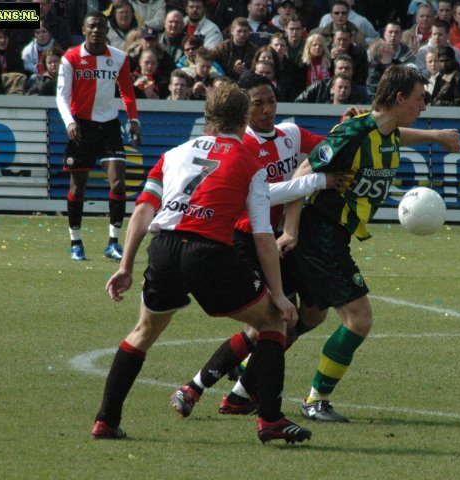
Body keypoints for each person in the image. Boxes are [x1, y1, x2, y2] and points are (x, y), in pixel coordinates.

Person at [92, 80, 312, 445]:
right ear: (244, 117)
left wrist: (125, 266)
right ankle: (270, 420)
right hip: (208, 251)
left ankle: (106, 421)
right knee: (274, 322)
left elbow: (144, 209)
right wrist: (279, 293)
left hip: (163, 249)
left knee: (143, 332)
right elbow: (262, 234)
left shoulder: (174, 153)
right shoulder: (248, 159)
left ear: (208, 116)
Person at [273, 64, 460, 422]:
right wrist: (291, 231)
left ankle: (247, 376)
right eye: (420, 99)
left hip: (333, 236)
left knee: (309, 316)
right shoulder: (353, 131)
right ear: (400, 98)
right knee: (359, 319)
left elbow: (396, 135)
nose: (424, 106)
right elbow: (301, 174)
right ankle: (315, 400)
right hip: (320, 234)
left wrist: (435, 136)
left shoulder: (384, 132)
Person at [168, 72, 346, 419]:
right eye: (257, 104)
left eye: (270, 101)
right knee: (268, 324)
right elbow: (264, 195)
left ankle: (240, 391)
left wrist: (347, 126)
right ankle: (197, 387)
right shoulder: (243, 146)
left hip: (279, 239)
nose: (266, 110)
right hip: (248, 240)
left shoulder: (290, 134)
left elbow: (330, 147)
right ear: (243, 109)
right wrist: (317, 181)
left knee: (312, 313)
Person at [56, 11, 141, 261]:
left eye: (100, 27)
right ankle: (75, 242)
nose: (96, 31)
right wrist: (70, 122)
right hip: (81, 127)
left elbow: (127, 91)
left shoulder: (118, 58)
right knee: (78, 188)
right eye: (91, 26)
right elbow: (62, 96)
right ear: (83, 29)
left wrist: (133, 119)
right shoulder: (70, 58)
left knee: (118, 183)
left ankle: (113, 242)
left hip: (109, 126)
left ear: (106, 30)